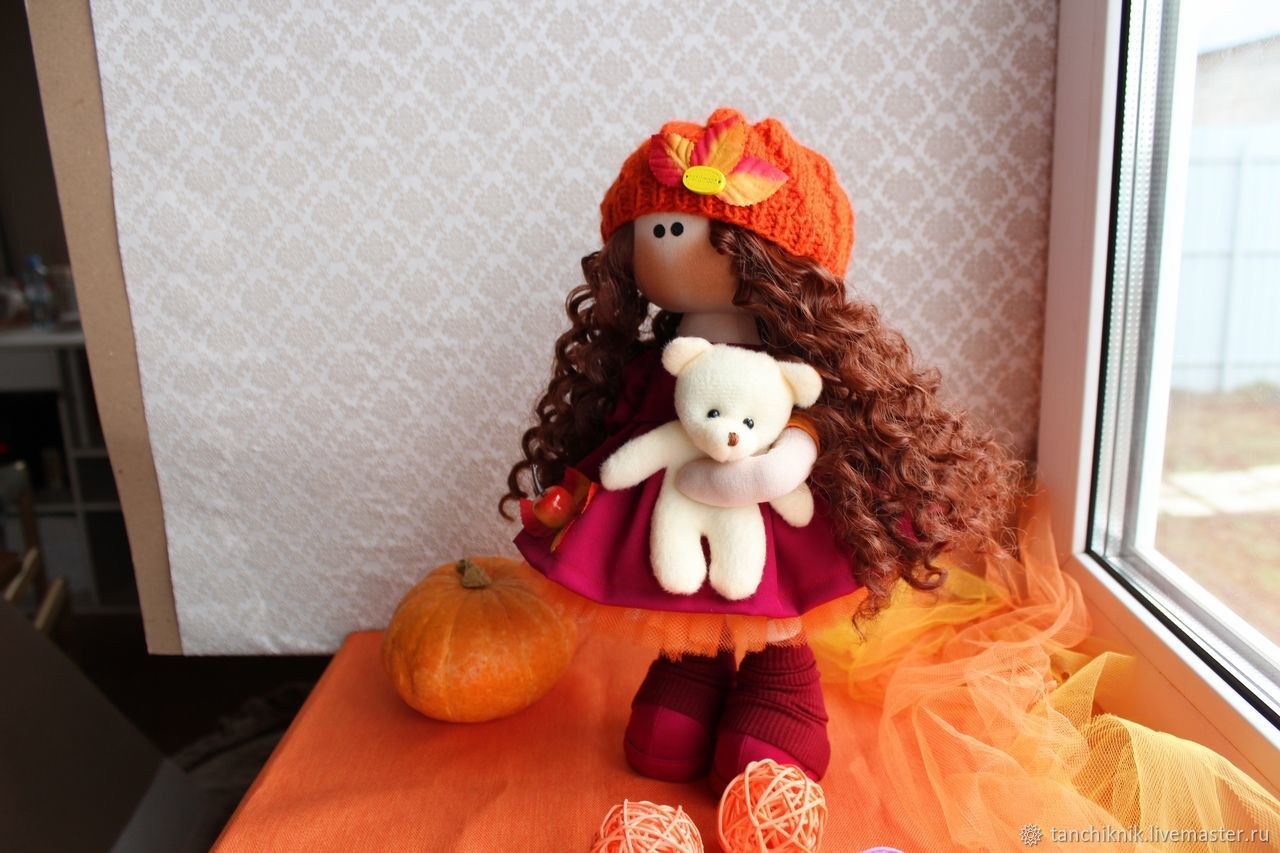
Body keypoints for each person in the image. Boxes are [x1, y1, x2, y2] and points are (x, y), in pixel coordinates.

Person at [500, 107, 1024, 792]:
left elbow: (823, 417)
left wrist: (795, 451)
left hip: (779, 502)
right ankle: (693, 665)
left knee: (779, 586)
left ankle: (782, 680)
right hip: (675, 499)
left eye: (692, 229)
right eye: (658, 230)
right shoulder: (659, 363)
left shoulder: (800, 365)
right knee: (679, 583)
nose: (671, 246)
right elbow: (627, 428)